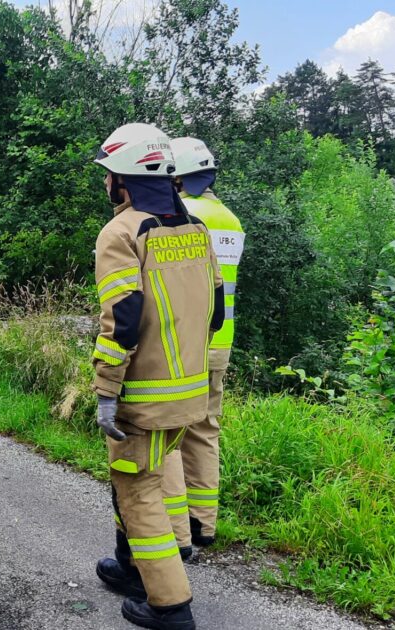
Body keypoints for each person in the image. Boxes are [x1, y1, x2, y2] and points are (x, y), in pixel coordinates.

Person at [89, 123, 223, 630]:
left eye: (108, 176)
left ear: (123, 181)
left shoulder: (121, 233)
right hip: (190, 393)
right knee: (140, 480)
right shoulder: (195, 231)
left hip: (143, 398)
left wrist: (106, 390)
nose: (106, 186)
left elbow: (121, 320)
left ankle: (169, 605)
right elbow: (214, 315)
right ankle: (130, 569)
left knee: (137, 491)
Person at [160, 137, 245, 557]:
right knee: (206, 431)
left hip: (188, 341)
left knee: (171, 431)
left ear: (176, 177)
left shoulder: (186, 215)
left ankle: (176, 532)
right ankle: (203, 524)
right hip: (222, 339)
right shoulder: (229, 218)